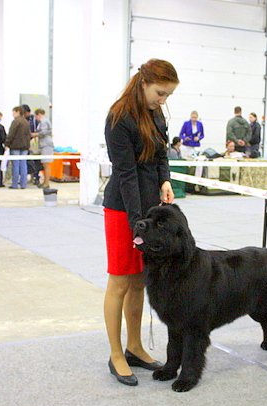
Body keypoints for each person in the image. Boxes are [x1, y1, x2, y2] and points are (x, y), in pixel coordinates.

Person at [103, 58, 178, 387]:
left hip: (149, 208)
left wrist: (165, 180)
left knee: (139, 281)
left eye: (167, 96)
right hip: (123, 210)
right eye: (160, 93)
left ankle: (135, 347)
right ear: (143, 83)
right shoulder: (119, 117)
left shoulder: (156, 113)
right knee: (120, 282)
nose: (163, 101)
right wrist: (137, 223)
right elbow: (126, 175)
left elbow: (161, 153)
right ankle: (116, 353)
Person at [5, 106, 31, 189]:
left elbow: (11, 134)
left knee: (15, 165)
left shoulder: (15, 122)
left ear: (18, 112)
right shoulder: (26, 122)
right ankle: (23, 184)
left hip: (15, 146)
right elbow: (29, 135)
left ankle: (15, 184)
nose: (12, 114)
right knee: (23, 165)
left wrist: (7, 144)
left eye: (13, 112)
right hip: (25, 147)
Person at [32, 108, 54, 188]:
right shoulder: (45, 121)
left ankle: (46, 183)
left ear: (39, 114)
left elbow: (43, 132)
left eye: (36, 116)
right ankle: (45, 182)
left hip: (46, 145)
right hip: (45, 145)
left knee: (46, 164)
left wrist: (35, 134)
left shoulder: (43, 121)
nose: (36, 118)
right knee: (45, 164)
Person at [22, 104, 41, 185]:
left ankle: (36, 177)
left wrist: (32, 134)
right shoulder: (22, 120)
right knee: (27, 161)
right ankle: (29, 176)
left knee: (36, 161)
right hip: (25, 144)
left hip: (33, 144)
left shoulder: (34, 120)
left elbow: (40, 132)